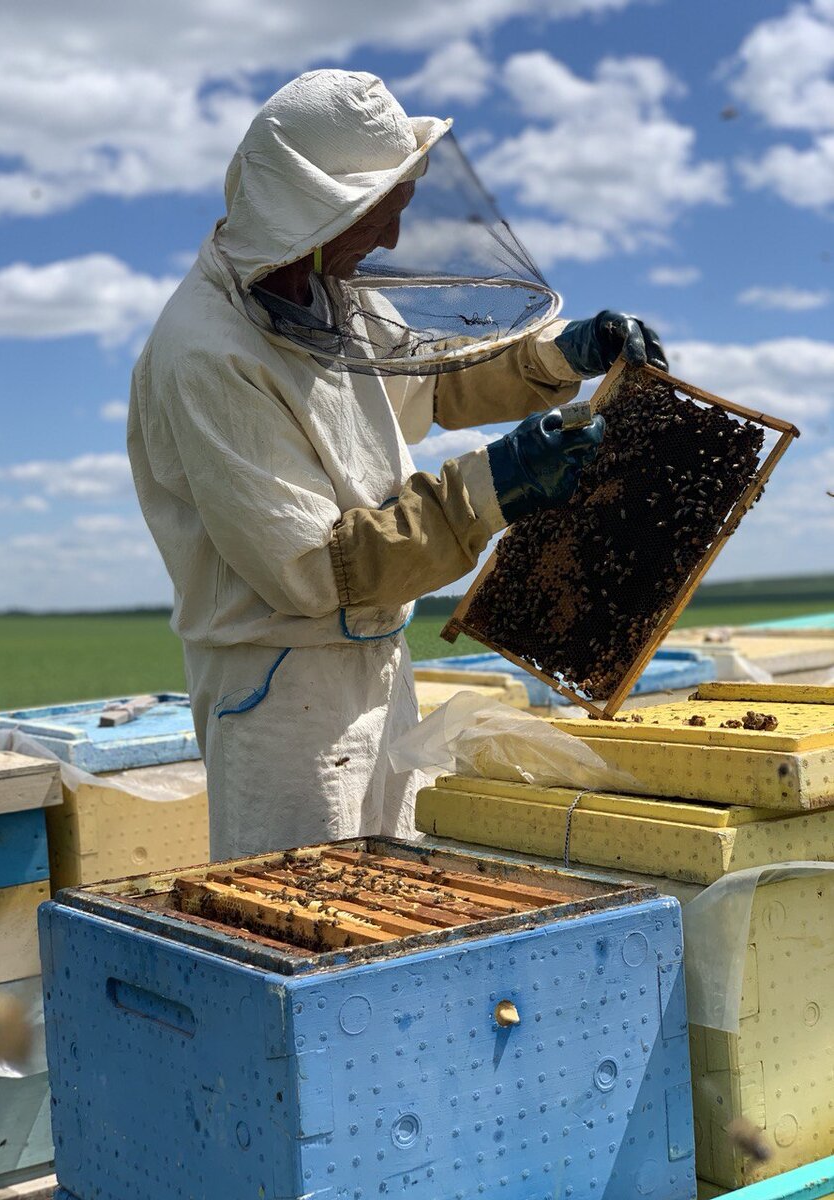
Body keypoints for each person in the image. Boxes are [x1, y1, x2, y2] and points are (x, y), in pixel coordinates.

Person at [128, 69, 666, 859]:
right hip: (282, 694)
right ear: (310, 213)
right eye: (377, 217)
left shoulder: (332, 295)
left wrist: (562, 354)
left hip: (379, 663)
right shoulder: (207, 354)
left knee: (395, 894)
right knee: (305, 925)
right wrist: (496, 485)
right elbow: (315, 572)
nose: (390, 242)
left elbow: (431, 381)